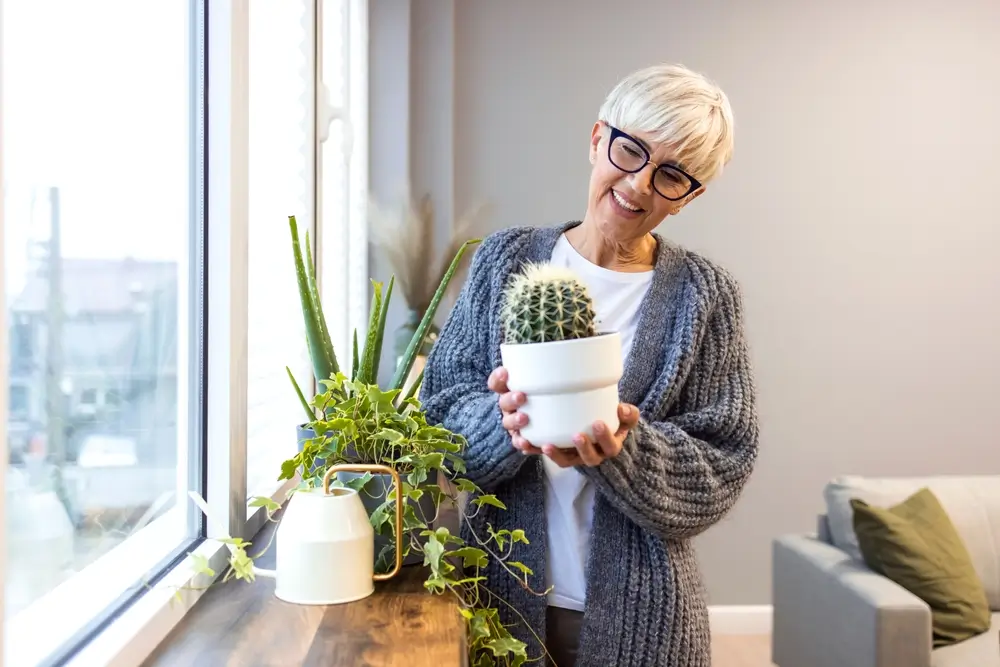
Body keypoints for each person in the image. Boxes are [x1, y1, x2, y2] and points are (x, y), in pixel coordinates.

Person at [419, 63, 759, 667]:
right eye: (632, 151)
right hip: (490, 602)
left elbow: (722, 463)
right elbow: (440, 419)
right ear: (598, 137)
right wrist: (504, 422)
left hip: (644, 623)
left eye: (672, 175)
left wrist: (625, 449)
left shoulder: (705, 296)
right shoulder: (505, 260)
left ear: (690, 196)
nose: (639, 185)